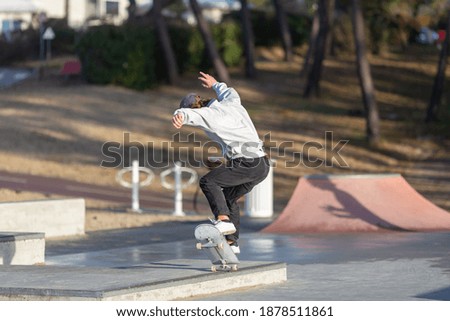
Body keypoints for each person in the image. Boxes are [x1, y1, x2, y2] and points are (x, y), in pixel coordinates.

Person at [172, 71, 270, 254]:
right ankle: (232, 243)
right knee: (228, 197)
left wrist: (179, 115)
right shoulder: (231, 104)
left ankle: (224, 221)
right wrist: (216, 84)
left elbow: (189, 115)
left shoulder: (209, 115)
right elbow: (230, 92)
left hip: (247, 163)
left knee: (208, 182)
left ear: (197, 109)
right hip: (262, 165)